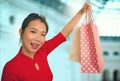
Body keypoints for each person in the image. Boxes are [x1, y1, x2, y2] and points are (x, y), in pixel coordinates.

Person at [1, 2, 91, 81]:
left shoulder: (43, 50)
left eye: (42, 34)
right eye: (33, 32)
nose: (38, 38)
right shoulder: (11, 68)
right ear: (21, 32)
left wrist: (81, 11)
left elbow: (64, 33)